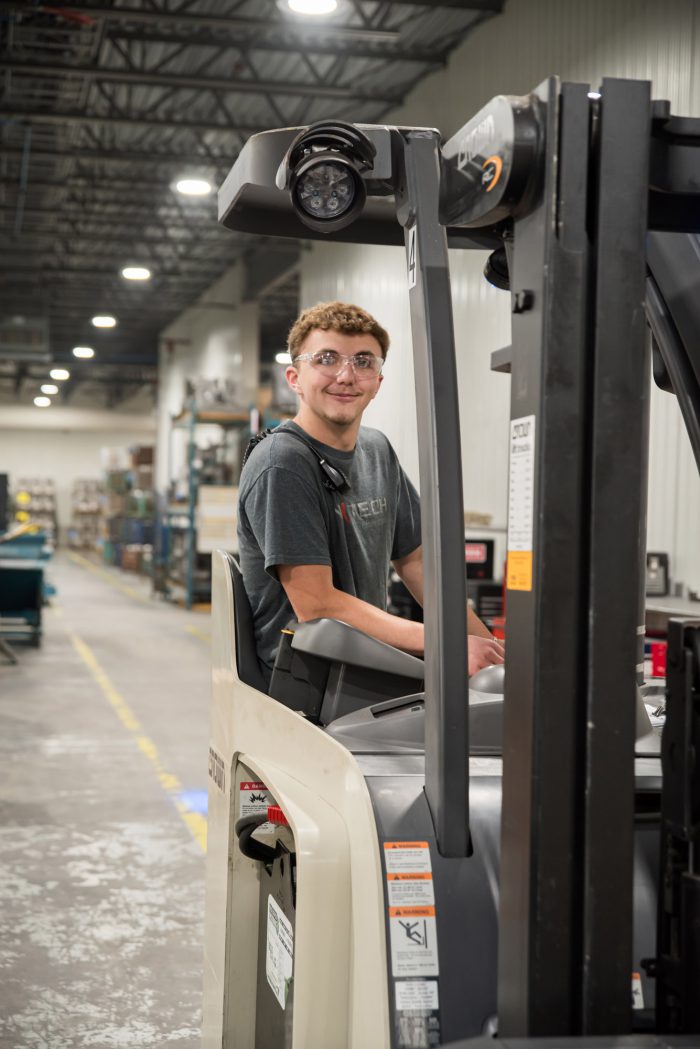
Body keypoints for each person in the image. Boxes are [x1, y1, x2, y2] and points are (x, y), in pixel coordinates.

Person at [237, 301, 504, 689]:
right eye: (326, 359)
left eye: (364, 362)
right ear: (294, 378)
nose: (346, 376)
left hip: (362, 661)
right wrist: (447, 646)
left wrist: (491, 651)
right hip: (306, 682)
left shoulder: (376, 450)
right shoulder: (283, 463)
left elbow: (416, 562)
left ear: (378, 382)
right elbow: (317, 606)